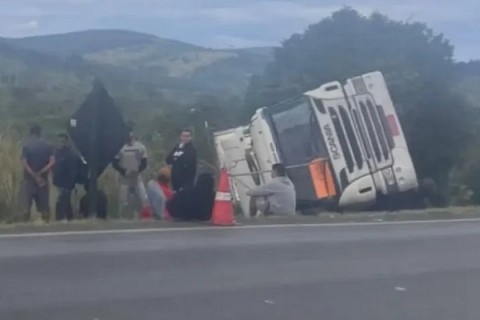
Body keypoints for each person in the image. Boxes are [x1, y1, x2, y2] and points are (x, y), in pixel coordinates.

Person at [20, 124, 55, 223]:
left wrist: (33, 174)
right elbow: (52, 161)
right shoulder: (48, 145)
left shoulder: (26, 146)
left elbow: (24, 163)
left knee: (26, 205)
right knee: (44, 205)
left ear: (31, 133)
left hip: (28, 179)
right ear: (40, 133)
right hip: (43, 179)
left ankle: (25, 226)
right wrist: (41, 172)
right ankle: (46, 224)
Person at [112, 128, 148, 218]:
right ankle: (122, 217)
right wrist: (124, 171)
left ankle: (145, 216)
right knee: (123, 200)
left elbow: (144, 162)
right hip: (124, 178)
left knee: (143, 197)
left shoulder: (140, 147)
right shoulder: (119, 147)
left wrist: (137, 171)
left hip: (137, 177)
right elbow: (114, 163)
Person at [52, 133, 78, 221]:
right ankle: (62, 218)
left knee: (64, 201)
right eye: (59, 142)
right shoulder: (57, 153)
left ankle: (65, 218)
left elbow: (73, 171)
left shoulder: (71, 154)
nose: (61, 143)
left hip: (67, 182)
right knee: (62, 201)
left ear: (67, 142)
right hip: (58, 182)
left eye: (63, 142)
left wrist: (71, 183)